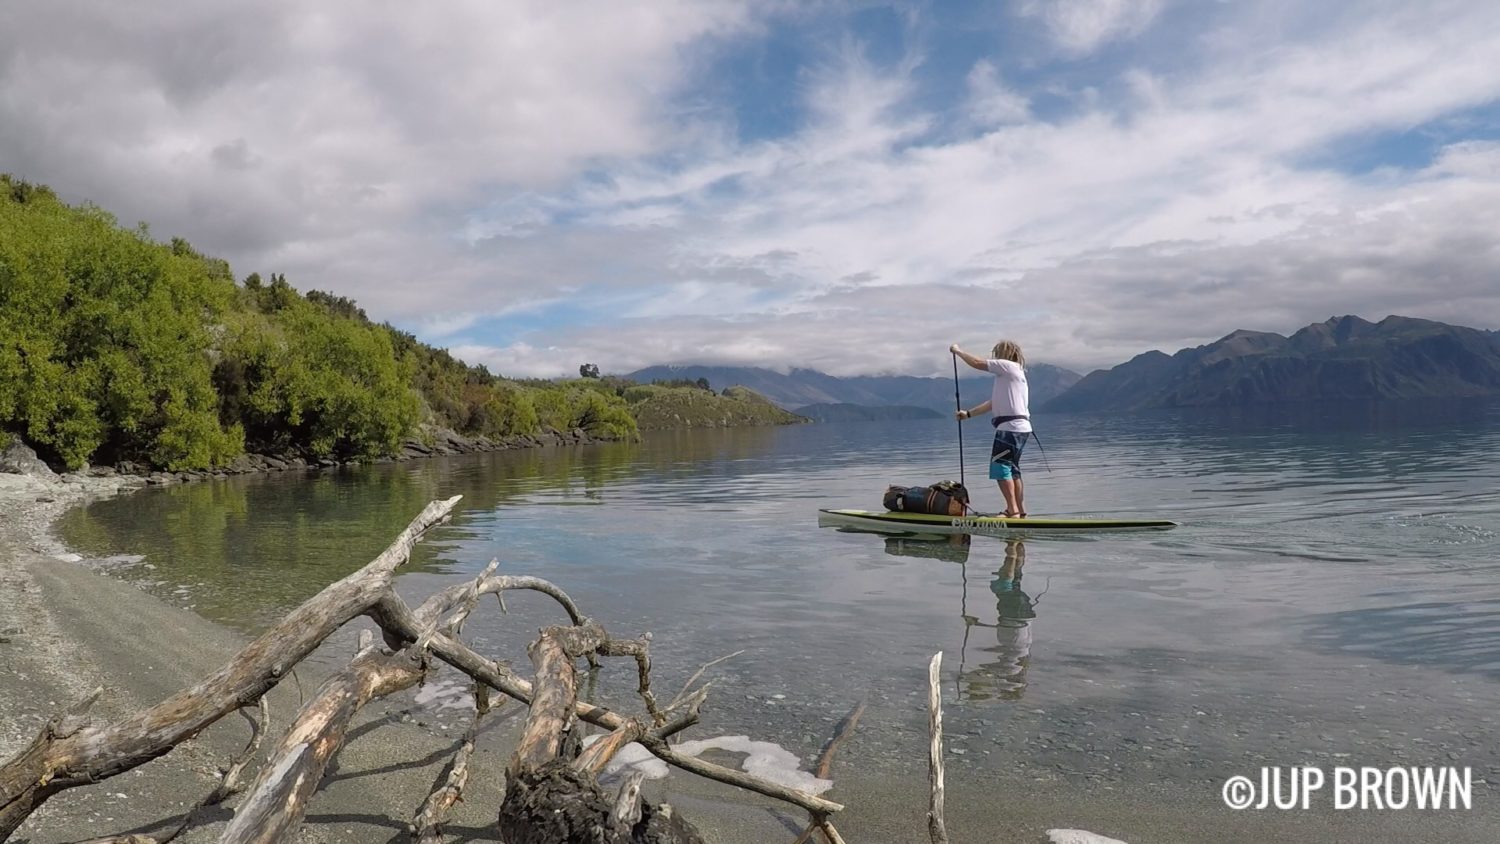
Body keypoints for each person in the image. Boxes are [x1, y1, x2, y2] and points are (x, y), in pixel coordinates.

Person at [950, 340, 1031, 517]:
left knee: (1000, 467)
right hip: (1020, 429)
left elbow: (977, 363)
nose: (994, 356)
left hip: (1010, 429)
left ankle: (1012, 511)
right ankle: (1020, 510)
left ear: (1004, 353)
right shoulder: (1014, 374)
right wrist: (968, 414)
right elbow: (993, 404)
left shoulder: (1007, 366)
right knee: (1012, 469)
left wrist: (958, 351)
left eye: (996, 352)